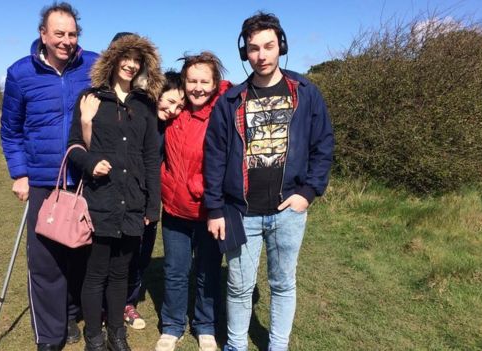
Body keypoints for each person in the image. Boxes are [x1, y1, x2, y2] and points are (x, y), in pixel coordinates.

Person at [204, 12, 334, 351]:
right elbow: (215, 156)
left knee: (282, 284)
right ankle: (235, 345)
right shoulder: (230, 100)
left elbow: (323, 144)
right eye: (253, 48)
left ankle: (278, 345)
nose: (261, 55)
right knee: (238, 286)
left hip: (288, 211)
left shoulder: (305, 92)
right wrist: (214, 208)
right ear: (244, 53)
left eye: (269, 46)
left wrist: (308, 192)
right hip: (240, 211)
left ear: (281, 47)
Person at [0, 3, 98, 350]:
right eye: (59, 33)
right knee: (45, 262)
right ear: (43, 34)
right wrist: (20, 173)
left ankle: (71, 312)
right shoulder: (20, 73)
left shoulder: (93, 65)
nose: (66, 41)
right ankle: (50, 337)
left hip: (85, 177)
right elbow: (10, 131)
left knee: (82, 254)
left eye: (72, 34)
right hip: (42, 179)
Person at [68, 32, 163, 351]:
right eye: (126, 57)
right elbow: (74, 147)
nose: (131, 65)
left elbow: (152, 156)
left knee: (121, 274)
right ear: (112, 58)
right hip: (99, 201)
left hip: (133, 203)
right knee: (95, 275)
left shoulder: (146, 105)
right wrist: (90, 162)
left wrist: (153, 205)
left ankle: (116, 335)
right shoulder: (90, 98)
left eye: (137, 60)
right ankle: (94, 338)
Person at [155, 52, 231, 351]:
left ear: (215, 84)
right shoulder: (174, 110)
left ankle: (205, 326)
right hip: (175, 208)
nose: (197, 87)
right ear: (183, 82)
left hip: (210, 210)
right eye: (191, 81)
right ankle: (172, 325)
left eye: (204, 81)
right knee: (175, 270)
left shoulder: (223, 112)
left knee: (207, 271)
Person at [123, 71, 185, 331]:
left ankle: (128, 301)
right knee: (121, 253)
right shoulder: (135, 116)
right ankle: (109, 303)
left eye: (180, 106)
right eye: (169, 101)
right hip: (125, 197)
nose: (173, 110)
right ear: (156, 94)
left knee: (142, 253)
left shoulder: (169, 127)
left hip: (150, 200)